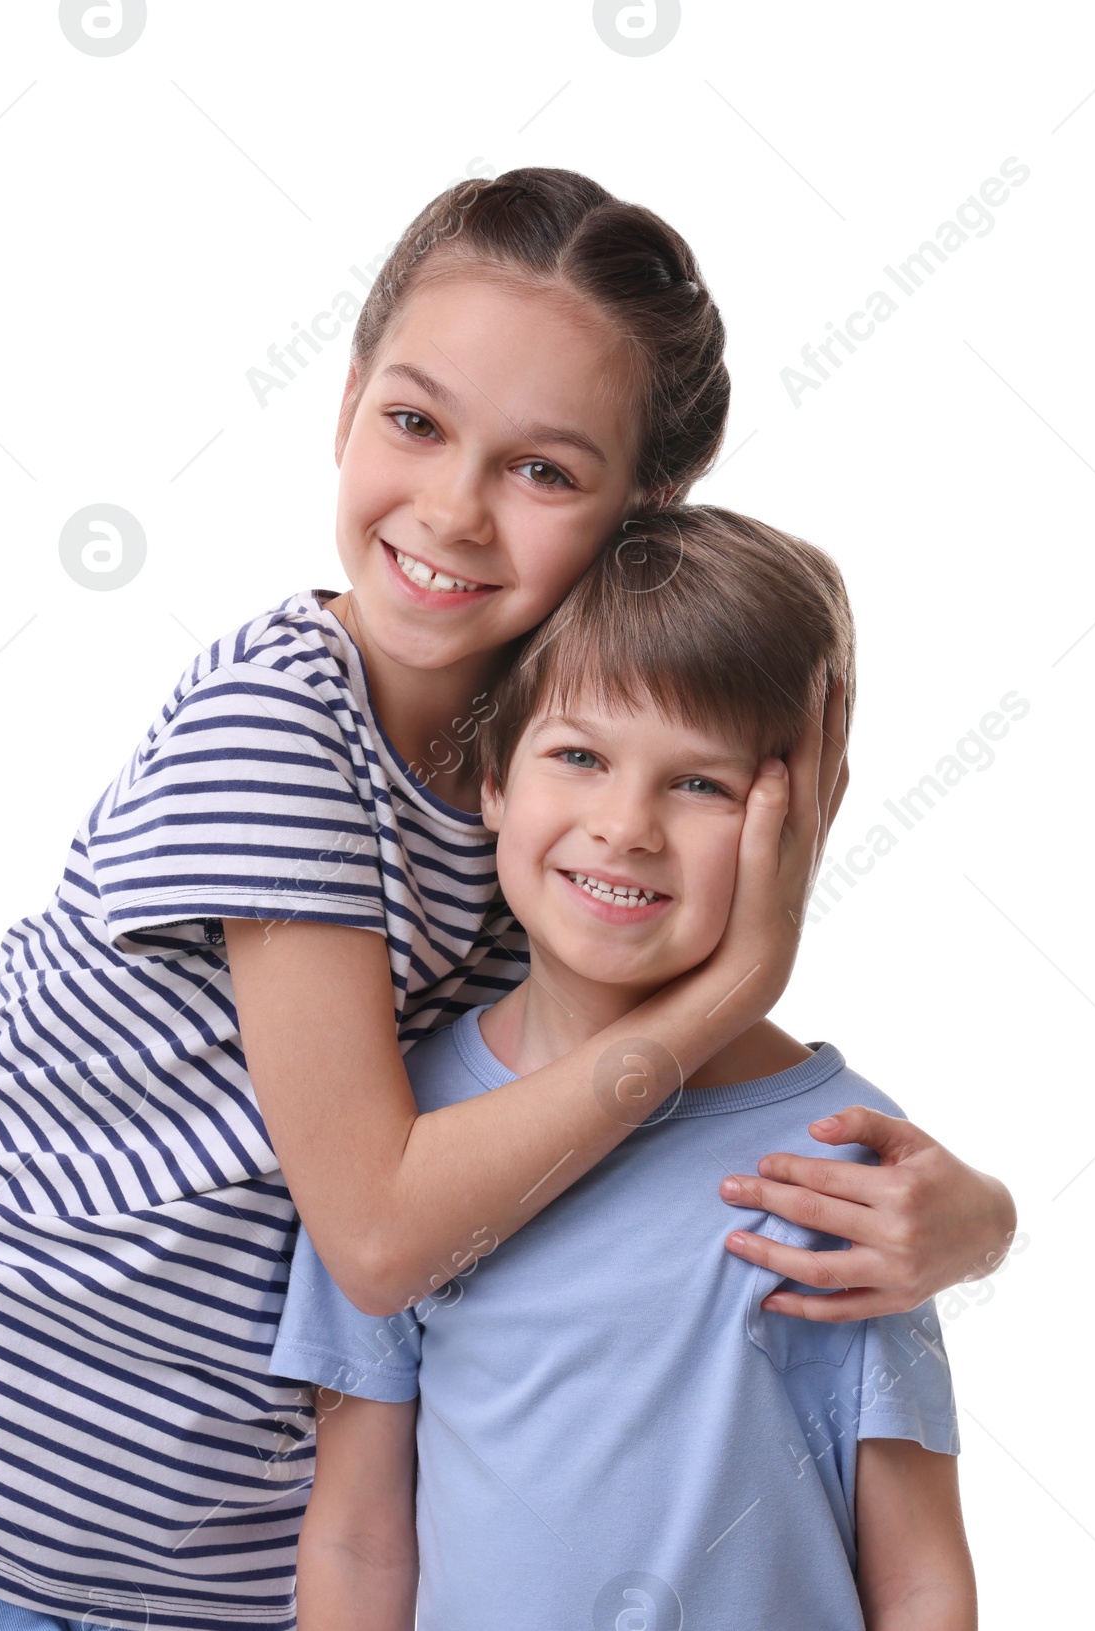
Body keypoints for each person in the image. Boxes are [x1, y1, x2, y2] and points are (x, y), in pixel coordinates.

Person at [0, 170, 1008, 1629]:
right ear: (345, 405)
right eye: (416, 421)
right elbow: (386, 1232)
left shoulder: (549, 787)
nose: (454, 508)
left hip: (214, 1543)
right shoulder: (278, 728)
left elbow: (653, 1157)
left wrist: (967, 1223)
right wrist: (737, 980)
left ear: (644, 516)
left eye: (545, 469)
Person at [275, 507, 977, 1630]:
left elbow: (920, 1567)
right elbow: (360, 1535)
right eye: (580, 755)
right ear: (495, 777)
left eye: (699, 784)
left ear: (794, 822)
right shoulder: (399, 1134)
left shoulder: (844, 1154)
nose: (625, 825)